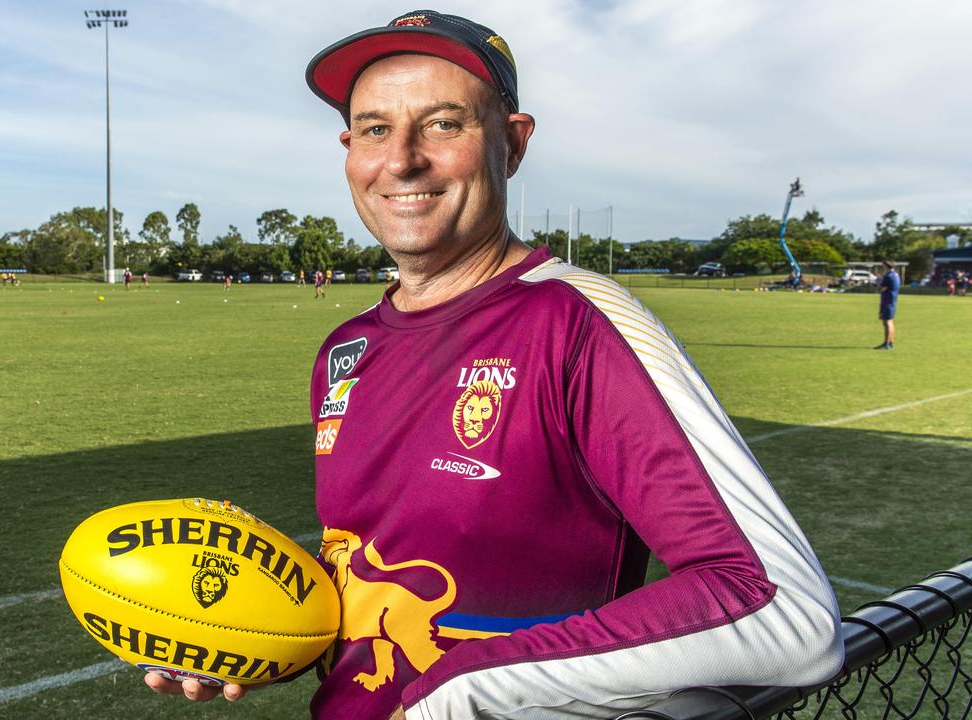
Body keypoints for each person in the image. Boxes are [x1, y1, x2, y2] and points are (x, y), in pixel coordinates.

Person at [145, 10, 843, 719]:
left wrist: (458, 688)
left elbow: (782, 613)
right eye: (376, 129)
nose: (403, 159)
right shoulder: (345, 350)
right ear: (349, 148)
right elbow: (375, 573)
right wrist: (251, 631)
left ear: (512, 144)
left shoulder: (575, 324)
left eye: (445, 124)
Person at [876, 260, 900, 349]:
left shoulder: (888, 276)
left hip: (887, 301)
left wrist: (879, 282)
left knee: (886, 322)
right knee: (890, 321)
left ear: (886, 266)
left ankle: (886, 344)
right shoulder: (896, 275)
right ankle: (890, 342)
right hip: (893, 300)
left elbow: (881, 288)